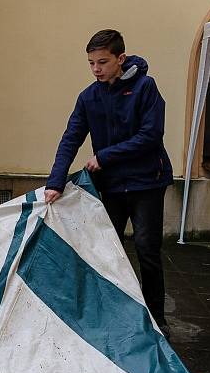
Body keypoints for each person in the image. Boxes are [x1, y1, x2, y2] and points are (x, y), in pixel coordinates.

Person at [44, 29, 173, 335]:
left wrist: (105, 157)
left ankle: (157, 320)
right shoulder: (89, 96)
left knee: (146, 249)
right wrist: (55, 182)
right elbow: (71, 138)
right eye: (91, 63)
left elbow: (150, 135)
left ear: (121, 59)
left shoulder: (146, 88)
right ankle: (111, 313)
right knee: (105, 252)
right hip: (112, 187)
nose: (96, 69)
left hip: (146, 184)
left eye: (102, 62)